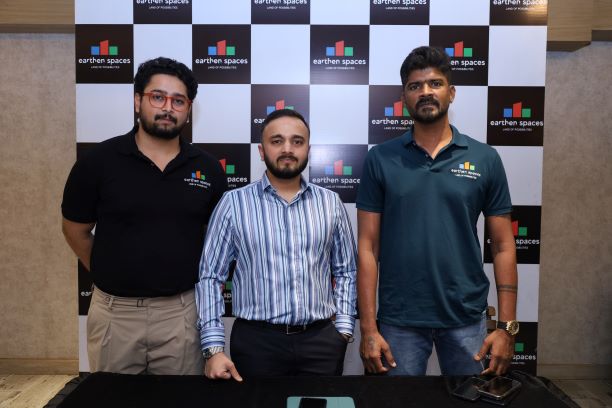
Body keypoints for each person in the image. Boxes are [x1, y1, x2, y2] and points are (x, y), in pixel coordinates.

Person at [356, 46, 519, 376]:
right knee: (396, 402)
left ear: (451, 92)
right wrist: (369, 328)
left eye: (435, 83)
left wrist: (506, 327)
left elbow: (503, 246)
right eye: (415, 86)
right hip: (399, 319)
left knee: (471, 398)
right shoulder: (380, 158)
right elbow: (367, 247)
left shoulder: (485, 158)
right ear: (404, 97)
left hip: (466, 317)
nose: (426, 92)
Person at [62, 57, 227, 374]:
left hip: (182, 313)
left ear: (188, 109)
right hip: (115, 315)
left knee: (180, 399)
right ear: (138, 101)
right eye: (157, 97)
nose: (168, 108)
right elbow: (75, 230)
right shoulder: (98, 162)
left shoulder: (208, 168)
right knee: (114, 398)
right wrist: (109, 270)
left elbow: (217, 240)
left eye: (178, 101)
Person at [196, 109, 357, 381]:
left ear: (308, 149)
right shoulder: (233, 204)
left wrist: (342, 328)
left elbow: (346, 271)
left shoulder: (330, 203)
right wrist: (213, 348)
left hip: (321, 343)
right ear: (262, 151)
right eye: (277, 141)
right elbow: (210, 277)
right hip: (256, 344)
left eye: (297, 141)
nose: (287, 149)